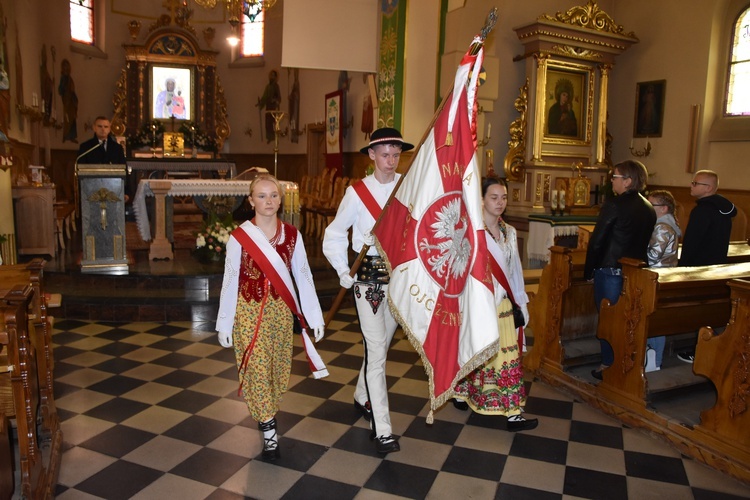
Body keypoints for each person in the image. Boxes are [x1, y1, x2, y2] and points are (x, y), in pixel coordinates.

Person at [216, 174, 327, 461]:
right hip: (249, 312)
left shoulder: (292, 235)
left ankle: (268, 414)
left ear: (280, 199)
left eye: (274, 195)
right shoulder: (239, 236)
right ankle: (268, 429)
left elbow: (303, 275)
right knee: (257, 368)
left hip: (279, 314)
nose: (269, 201)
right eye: (262, 196)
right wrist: (225, 321)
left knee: (277, 369)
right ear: (251, 201)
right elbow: (230, 279)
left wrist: (314, 315)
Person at [322, 127, 413, 454]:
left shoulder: (407, 186)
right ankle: (384, 428)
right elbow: (333, 234)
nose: (391, 161)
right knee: (376, 353)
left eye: (396, 154)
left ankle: (362, 396)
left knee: (381, 348)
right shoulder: (357, 193)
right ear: (372, 155)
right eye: (385, 154)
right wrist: (341, 269)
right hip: (368, 283)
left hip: (400, 279)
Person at [452, 177, 538, 432]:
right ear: (481, 200)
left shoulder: (509, 232)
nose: (500, 202)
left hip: (502, 305)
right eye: (494, 197)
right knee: (477, 353)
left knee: (507, 356)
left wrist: (520, 301)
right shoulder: (470, 233)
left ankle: (513, 413)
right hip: (477, 306)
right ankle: (462, 392)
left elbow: (514, 271)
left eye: (503, 197)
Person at [584, 160, 656, 380]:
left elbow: (597, 241)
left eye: (614, 177)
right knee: (629, 319)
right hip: (636, 271)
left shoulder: (614, 205)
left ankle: (608, 364)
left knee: (609, 320)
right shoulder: (648, 207)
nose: (611, 181)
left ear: (628, 181)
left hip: (610, 269)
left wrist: (588, 272)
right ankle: (627, 362)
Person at [676, 170, 737, 362]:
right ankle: (705, 346)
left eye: (695, 183)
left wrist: (682, 267)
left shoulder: (702, 210)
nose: (691, 186)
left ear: (708, 188)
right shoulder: (723, 209)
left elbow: (692, 242)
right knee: (707, 309)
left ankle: (700, 350)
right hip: (716, 265)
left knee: (700, 311)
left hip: (698, 267)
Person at [645, 189, 681, 371]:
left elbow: (652, 256)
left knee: (654, 323)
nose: (648, 208)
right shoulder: (663, 224)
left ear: (664, 208)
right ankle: (652, 360)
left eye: (652, 205)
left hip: (656, 276)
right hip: (658, 276)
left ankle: (654, 362)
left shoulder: (662, 227)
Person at [256, 69, 282, 143]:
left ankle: (274, 136)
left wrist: (275, 100)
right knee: (268, 123)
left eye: (273, 76)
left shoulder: (276, 86)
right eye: (271, 75)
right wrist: (260, 103)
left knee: (273, 122)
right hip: (268, 106)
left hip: (273, 107)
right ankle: (269, 136)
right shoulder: (268, 86)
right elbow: (265, 96)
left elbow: (279, 97)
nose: (272, 77)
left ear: (275, 77)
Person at [58, 58, 78, 143]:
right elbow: (60, 89)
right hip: (66, 100)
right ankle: (66, 135)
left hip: (71, 100)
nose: (66, 68)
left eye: (67, 66)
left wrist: (75, 98)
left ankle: (72, 136)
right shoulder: (63, 78)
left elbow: (72, 90)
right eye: (64, 66)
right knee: (67, 118)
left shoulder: (70, 78)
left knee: (72, 118)